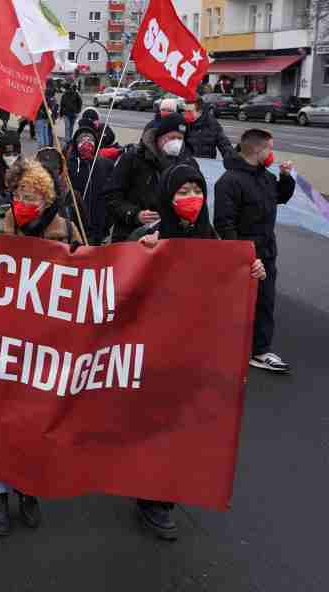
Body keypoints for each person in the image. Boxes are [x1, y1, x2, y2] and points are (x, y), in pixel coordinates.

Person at [130, 164, 266, 540]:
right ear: (167, 197)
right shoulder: (149, 237)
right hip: (156, 352)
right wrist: (140, 253)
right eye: (181, 191)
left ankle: (163, 492)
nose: (190, 198)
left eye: (195, 190)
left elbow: (228, 284)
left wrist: (250, 272)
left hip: (195, 354)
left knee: (181, 426)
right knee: (154, 425)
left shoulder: (215, 240)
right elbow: (122, 281)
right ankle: (150, 497)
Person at [0, 159, 75, 537]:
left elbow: (101, 276)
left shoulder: (66, 233)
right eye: (21, 195)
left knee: (36, 423)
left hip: (45, 348)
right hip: (0, 344)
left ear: (47, 199)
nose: (26, 203)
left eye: (34, 197)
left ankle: (28, 488)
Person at [213, 129, 295, 373]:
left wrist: (286, 177)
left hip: (267, 254)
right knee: (236, 304)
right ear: (258, 150)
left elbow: (280, 197)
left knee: (265, 303)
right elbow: (224, 223)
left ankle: (260, 351)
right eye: (270, 148)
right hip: (244, 258)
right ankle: (226, 346)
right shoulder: (229, 182)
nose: (272, 154)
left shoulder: (266, 177)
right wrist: (242, 257)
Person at [103, 113, 198, 243]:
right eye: (172, 137)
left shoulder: (188, 164)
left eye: (180, 138)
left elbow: (197, 199)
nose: (176, 143)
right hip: (130, 237)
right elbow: (111, 196)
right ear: (159, 137)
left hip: (170, 239)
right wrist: (134, 214)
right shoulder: (133, 158)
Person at [65, 125, 113, 245]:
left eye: (90, 139)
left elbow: (111, 194)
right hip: (75, 224)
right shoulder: (68, 165)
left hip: (98, 223)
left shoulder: (105, 164)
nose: (86, 143)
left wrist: (106, 221)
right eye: (82, 140)